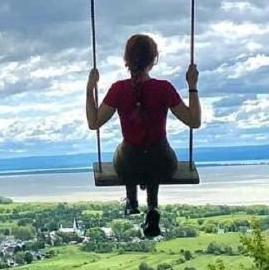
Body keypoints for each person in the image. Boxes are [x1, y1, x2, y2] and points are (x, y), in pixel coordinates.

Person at [85, 33, 201, 237]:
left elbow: (94, 123)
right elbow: (194, 121)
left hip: (129, 167)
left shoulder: (118, 89)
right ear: (154, 60)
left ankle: (131, 200)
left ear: (126, 60)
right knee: (156, 151)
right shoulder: (163, 88)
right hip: (162, 165)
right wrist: (192, 85)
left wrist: (89, 90)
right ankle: (152, 208)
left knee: (128, 150)